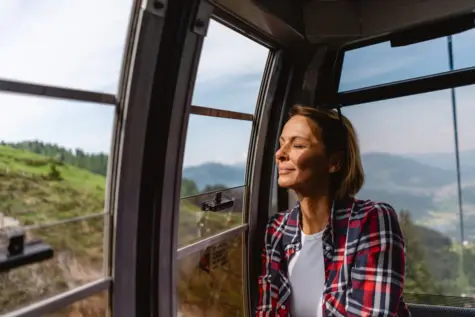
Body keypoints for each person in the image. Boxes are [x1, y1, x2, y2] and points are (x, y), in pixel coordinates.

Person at [255, 105, 410, 317]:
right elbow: (266, 310)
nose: (280, 154)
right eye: (281, 145)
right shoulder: (276, 230)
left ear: (334, 162)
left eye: (298, 145)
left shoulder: (372, 221)